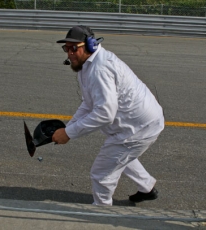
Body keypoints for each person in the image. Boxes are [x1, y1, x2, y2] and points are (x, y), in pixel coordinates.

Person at [52, 25, 164, 206]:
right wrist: (68, 128)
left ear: (90, 45)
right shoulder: (87, 65)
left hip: (138, 128)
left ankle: (102, 212)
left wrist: (69, 133)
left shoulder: (99, 69)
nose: (69, 53)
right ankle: (147, 188)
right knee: (121, 156)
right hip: (136, 123)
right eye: (66, 48)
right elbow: (89, 103)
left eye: (74, 48)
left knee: (101, 172)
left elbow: (104, 113)